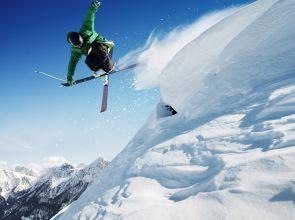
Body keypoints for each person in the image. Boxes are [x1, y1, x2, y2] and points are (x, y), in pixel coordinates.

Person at [66, 0, 115, 86]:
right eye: (78, 45)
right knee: (88, 60)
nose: (80, 46)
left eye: (81, 43)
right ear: (73, 45)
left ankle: (108, 68)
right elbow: (72, 64)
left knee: (96, 46)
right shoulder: (74, 51)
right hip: (95, 55)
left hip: (105, 48)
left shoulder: (86, 29)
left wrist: (94, 6)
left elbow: (89, 17)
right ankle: (100, 71)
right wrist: (70, 78)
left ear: (81, 37)